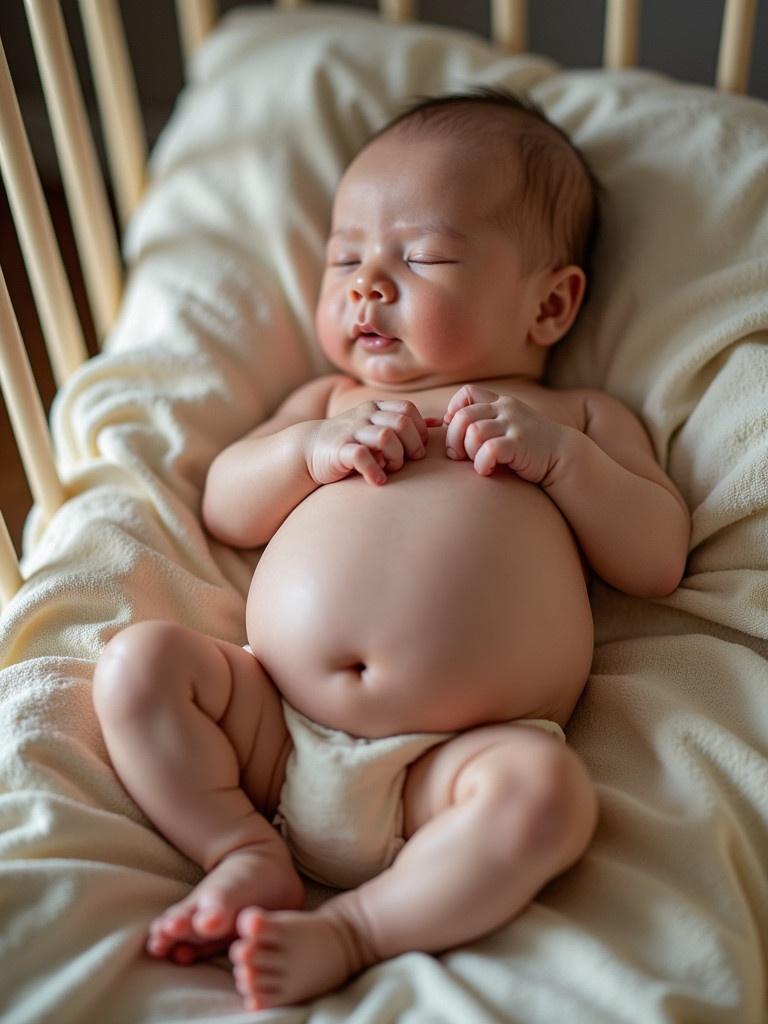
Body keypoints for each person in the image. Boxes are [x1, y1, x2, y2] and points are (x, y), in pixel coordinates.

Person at [92, 88, 690, 1011]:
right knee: (137, 667)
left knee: (548, 799)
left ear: (550, 305)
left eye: (423, 256)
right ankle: (238, 850)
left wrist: (565, 463)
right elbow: (226, 507)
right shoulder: (331, 403)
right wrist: (305, 453)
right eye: (345, 259)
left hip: (450, 767)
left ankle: (356, 929)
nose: (367, 283)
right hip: (271, 727)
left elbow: (657, 559)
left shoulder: (576, 419)